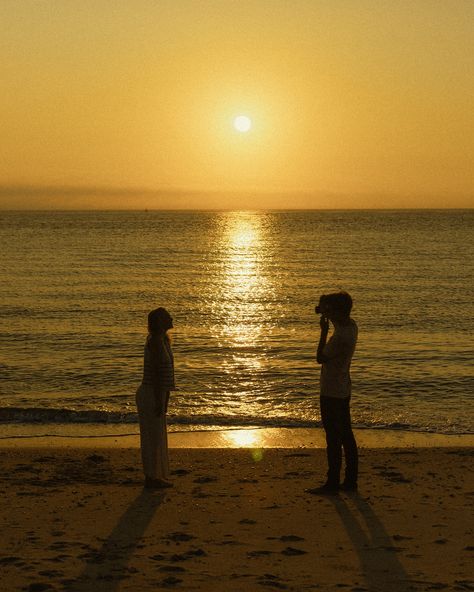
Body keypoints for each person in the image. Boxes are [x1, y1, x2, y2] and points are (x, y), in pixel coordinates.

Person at [308, 291, 358, 495]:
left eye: (327, 308)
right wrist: (328, 314)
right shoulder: (351, 326)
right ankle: (350, 480)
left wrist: (322, 331)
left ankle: (332, 482)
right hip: (343, 386)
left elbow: (320, 357)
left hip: (332, 390)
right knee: (346, 434)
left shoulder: (340, 337)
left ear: (336, 311)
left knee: (333, 437)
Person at [136, 307, 176, 489]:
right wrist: (160, 400)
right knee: (152, 437)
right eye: (168, 316)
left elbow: (166, 376)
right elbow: (158, 374)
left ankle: (156, 475)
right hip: (151, 393)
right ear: (160, 321)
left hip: (157, 393)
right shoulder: (155, 342)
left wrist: (165, 398)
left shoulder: (163, 341)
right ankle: (151, 477)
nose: (171, 318)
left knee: (157, 435)